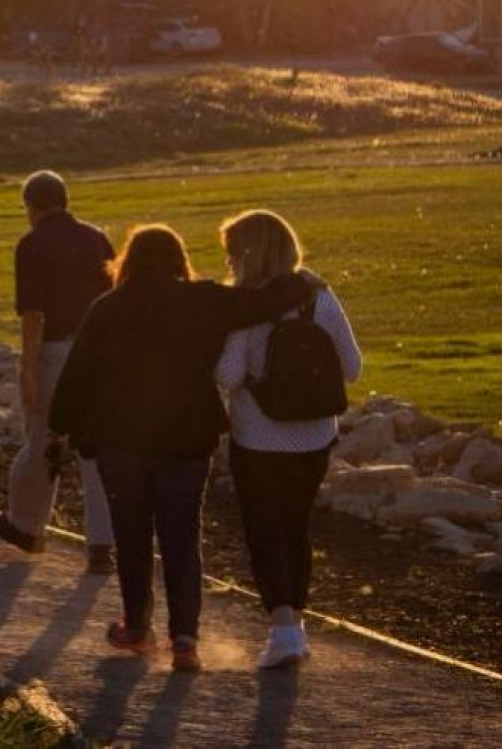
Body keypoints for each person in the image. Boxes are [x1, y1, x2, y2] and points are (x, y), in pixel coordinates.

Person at [48, 224, 312, 672]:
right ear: (179, 259)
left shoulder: (107, 307)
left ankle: (136, 626)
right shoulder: (203, 300)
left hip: (121, 441)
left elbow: (78, 377)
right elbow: (267, 301)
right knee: (182, 537)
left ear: (128, 261)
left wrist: (59, 432)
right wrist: (302, 281)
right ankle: (185, 640)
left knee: (132, 534)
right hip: (187, 440)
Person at [214, 210, 361, 670]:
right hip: (315, 436)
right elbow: (352, 367)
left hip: (257, 437)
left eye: (231, 253)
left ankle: (282, 631)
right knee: (296, 529)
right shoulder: (322, 296)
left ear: (246, 255)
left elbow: (228, 374)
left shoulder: (246, 305)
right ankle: (294, 624)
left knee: (264, 530)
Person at [0, 170, 117, 573]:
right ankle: (101, 544)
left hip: (56, 351)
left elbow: (34, 313)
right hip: (98, 354)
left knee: (43, 439)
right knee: (95, 450)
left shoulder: (32, 245)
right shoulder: (97, 238)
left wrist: (28, 367)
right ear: (64, 200)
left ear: (31, 206)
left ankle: (27, 525)